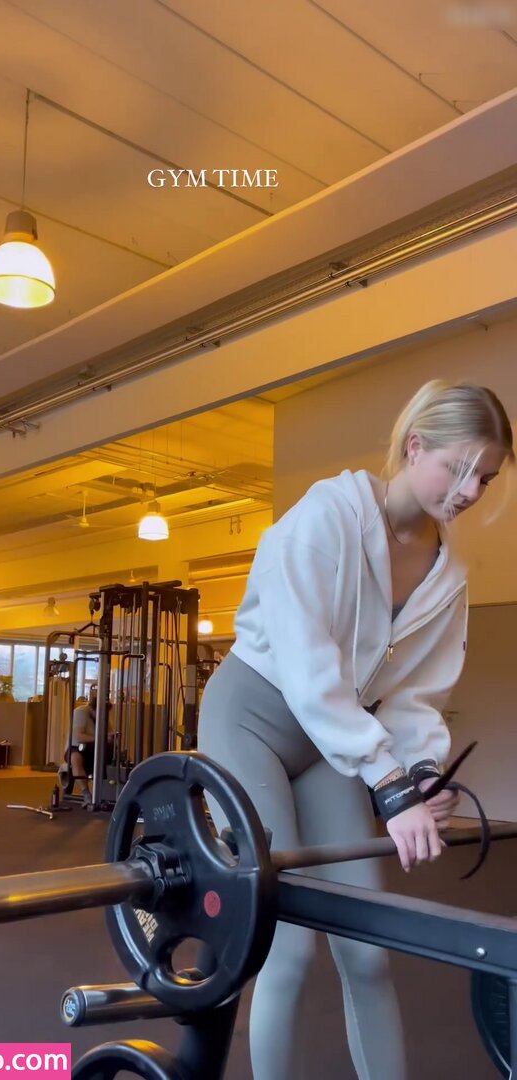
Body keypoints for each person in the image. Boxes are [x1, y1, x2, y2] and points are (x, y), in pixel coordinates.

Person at [197, 380, 514, 1080]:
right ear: (415, 446)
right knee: (285, 949)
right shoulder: (327, 517)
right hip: (251, 717)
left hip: (330, 740)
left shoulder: (448, 572)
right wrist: (389, 785)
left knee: (367, 949)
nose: (470, 491)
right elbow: (308, 668)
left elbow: (413, 693)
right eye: (459, 469)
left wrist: (421, 772)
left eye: (486, 478)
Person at [67, 684, 98, 806]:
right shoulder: (81, 712)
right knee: (75, 758)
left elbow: (108, 733)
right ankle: (86, 794)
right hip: (77, 746)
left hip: (93, 747)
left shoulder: (102, 715)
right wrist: (100, 738)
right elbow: (78, 736)